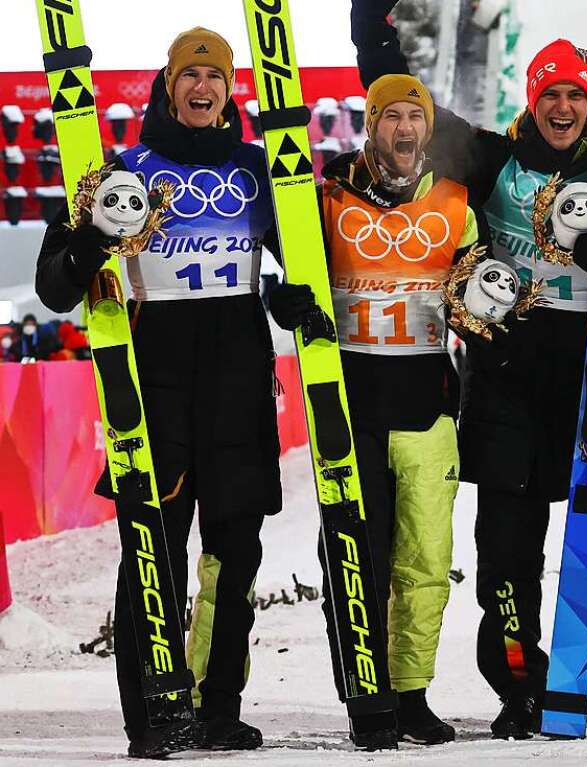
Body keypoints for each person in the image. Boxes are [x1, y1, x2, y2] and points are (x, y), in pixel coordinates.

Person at [353, 1, 587, 738]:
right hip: (505, 379)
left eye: (574, 93)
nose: (562, 106)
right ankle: (521, 686)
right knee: (505, 551)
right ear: (531, 101)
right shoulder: (491, 160)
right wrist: (372, 28)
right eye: (549, 94)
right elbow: (401, 105)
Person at [36, 28, 282, 758]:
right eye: (189, 75)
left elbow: (308, 261)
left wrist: (292, 297)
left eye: (215, 75)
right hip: (157, 395)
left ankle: (217, 708)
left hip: (238, 390)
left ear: (231, 88)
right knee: (153, 555)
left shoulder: (255, 172)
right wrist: (90, 244)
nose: (201, 87)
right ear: (167, 85)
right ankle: (154, 714)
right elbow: (54, 287)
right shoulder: (122, 172)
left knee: (236, 557)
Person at [268, 73, 481, 750]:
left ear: (428, 129)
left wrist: (487, 315)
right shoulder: (325, 195)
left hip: (427, 408)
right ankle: (368, 695)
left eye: (413, 118)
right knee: (354, 559)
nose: (404, 129)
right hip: (350, 411)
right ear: (370, 125)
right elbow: (285, 267)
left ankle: (412, 695)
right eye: (390, 117)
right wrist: (287, 301)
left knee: (424, 563)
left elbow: (481, 300)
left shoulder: (455, 203)